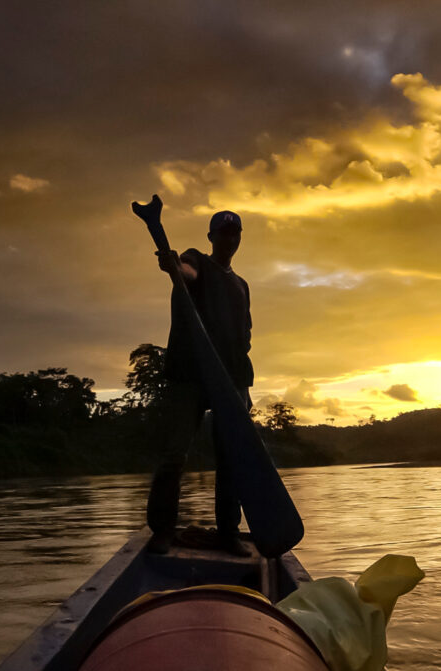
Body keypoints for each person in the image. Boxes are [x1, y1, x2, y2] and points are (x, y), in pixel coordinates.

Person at [132, 195, 254, 556]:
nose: (229, 239)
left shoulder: (242, 285)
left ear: (239, 238)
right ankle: (163, 531)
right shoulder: (197, 261)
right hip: (190, 374)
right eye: (223, 232)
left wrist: (243, 385)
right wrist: (174, 267)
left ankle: (228, 532)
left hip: (230, 379)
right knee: (174, 455)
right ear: (212, 236)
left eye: (235, 233)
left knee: (230, 456)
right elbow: (187, 272)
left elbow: (245, 334)